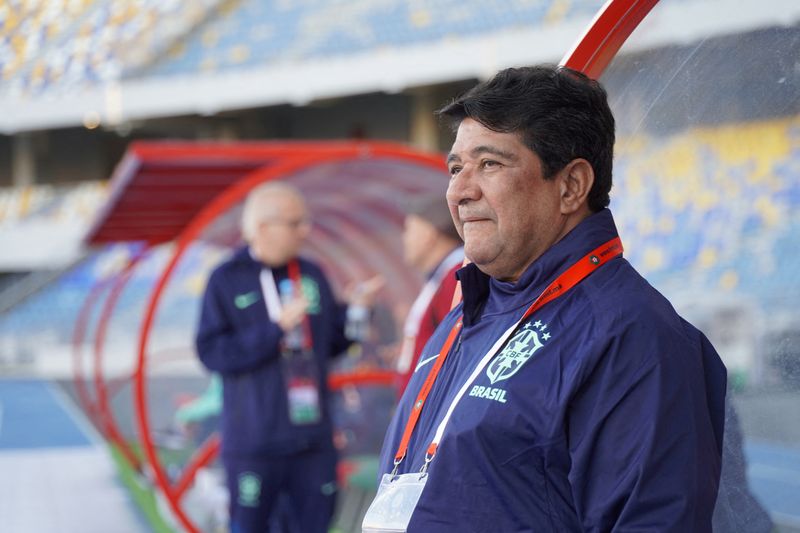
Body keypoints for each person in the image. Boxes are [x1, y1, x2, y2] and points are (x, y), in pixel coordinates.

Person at [366, 65, 727, 532]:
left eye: (490, 164)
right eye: (456, 167)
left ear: (572, 186)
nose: (459, 190)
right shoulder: (470, 311)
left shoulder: (632, 335)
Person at [195, 181, 379, 533]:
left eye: (305, 222)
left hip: (312, 439)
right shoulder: (226, 279)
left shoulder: (311, 273)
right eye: (294, 223)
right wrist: (275, 329)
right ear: (262, 227)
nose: (304, 231)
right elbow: (213, 353)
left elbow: (333, 345)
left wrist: (358, 313)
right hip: (255, 443)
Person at [395, 193, 463, 395]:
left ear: (428, 233)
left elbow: (456, 349)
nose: (404, 238)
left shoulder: (456, 277)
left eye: (409, 229)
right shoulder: (445, 275)